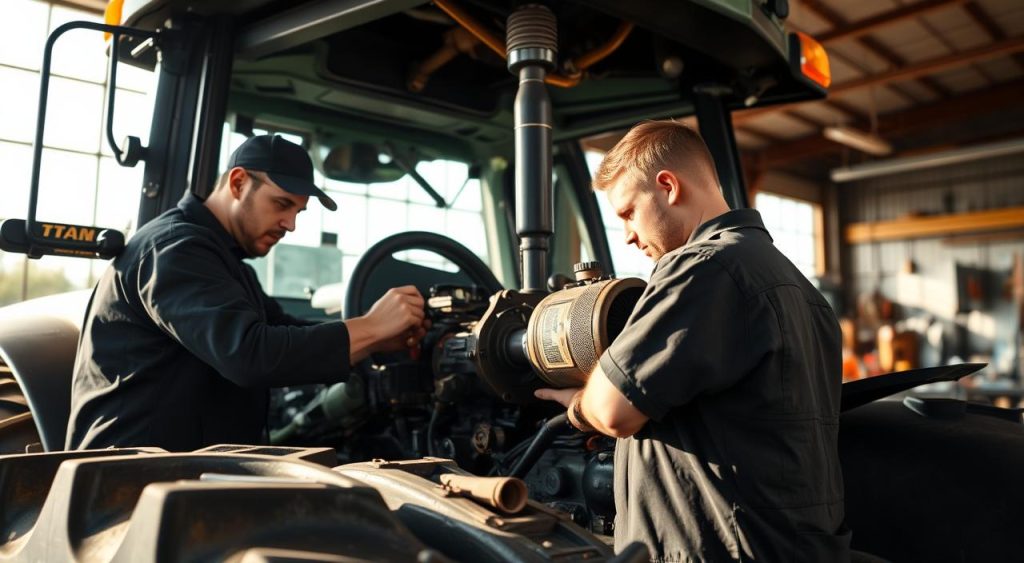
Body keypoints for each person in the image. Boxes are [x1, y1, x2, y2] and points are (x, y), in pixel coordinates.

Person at [535, 121, 849, 561]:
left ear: (668, 186)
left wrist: (577, 405)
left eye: (628, 212)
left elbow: (612, 411)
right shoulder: (799, 287)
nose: (626, 234)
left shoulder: (703, 267)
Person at [66, 134, 428, 452]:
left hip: (188, 473)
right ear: (238, 183)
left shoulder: (226, 263)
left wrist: (376, 341)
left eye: (299, 211)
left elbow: (284, 331)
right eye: (282, 204)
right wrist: (374, 325)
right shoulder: (176, 249)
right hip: (126, 480)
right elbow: (250, 354)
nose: (291, 224)